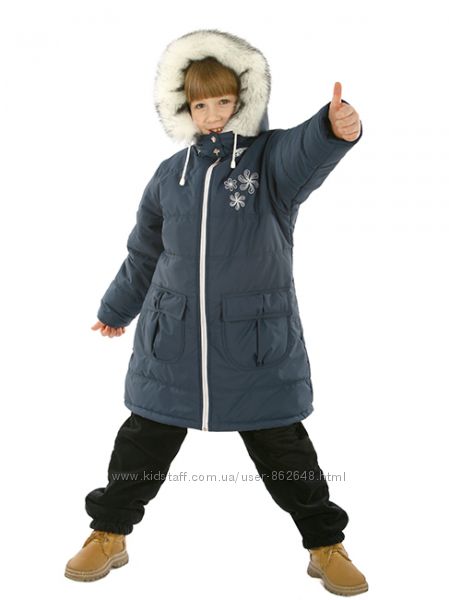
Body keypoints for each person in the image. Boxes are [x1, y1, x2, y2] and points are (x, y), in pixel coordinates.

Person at [65, 29, 368, 595]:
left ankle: (326, 543)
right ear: (183, 107)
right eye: (200, 104)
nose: (212, 115)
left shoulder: (270, 162)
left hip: (254, 345)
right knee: (141, 444)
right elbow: (145, 252)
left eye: (223, 101)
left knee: (285, 451)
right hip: (173, 342)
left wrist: (334, 128)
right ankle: (108, 533)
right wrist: (117, 308)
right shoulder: (169, 175)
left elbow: (307, 150)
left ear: (244, 99)